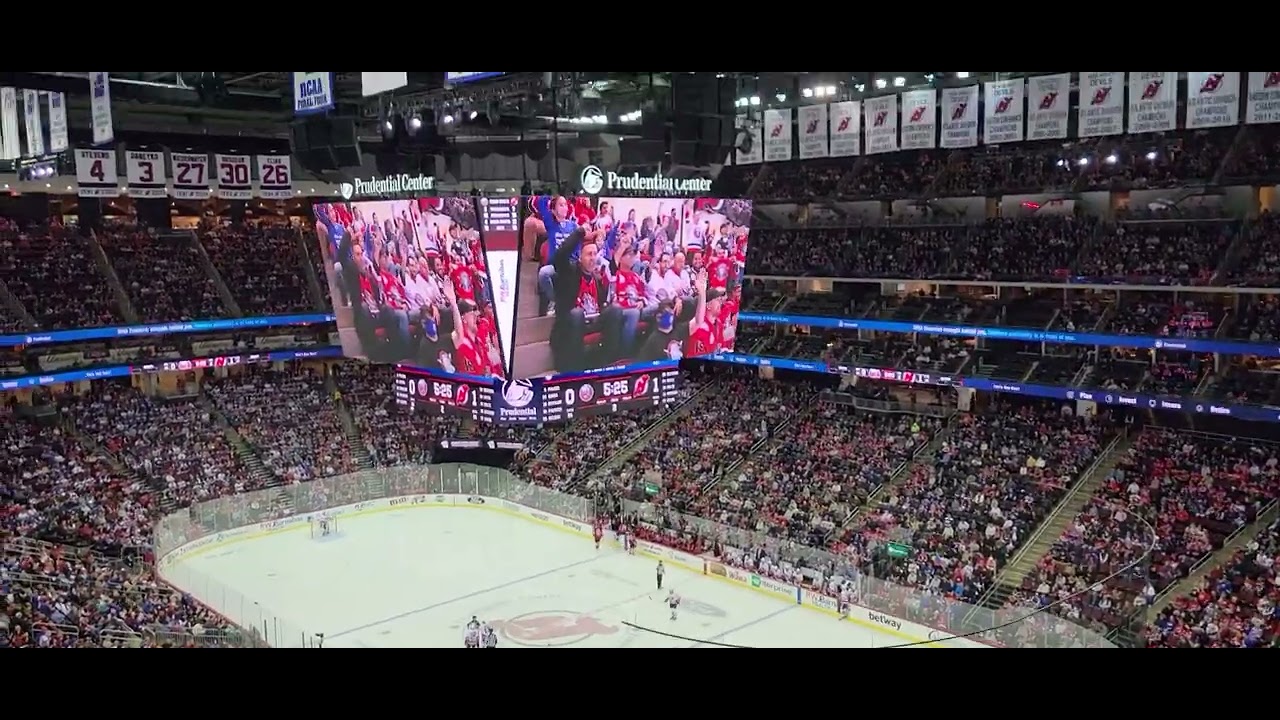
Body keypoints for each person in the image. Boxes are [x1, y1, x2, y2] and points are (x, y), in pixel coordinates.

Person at [550, 226, 622, 373]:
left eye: (595, 254)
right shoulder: (569, 272)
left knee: (615, 310)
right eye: (589, 254)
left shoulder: (597, 279)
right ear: (580, 257)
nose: (593, 258)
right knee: (577, 314)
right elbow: (559, 256)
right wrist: (580, 232)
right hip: (571, 324)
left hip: (593, 321)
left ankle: (607, 362)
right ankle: (575, 368)